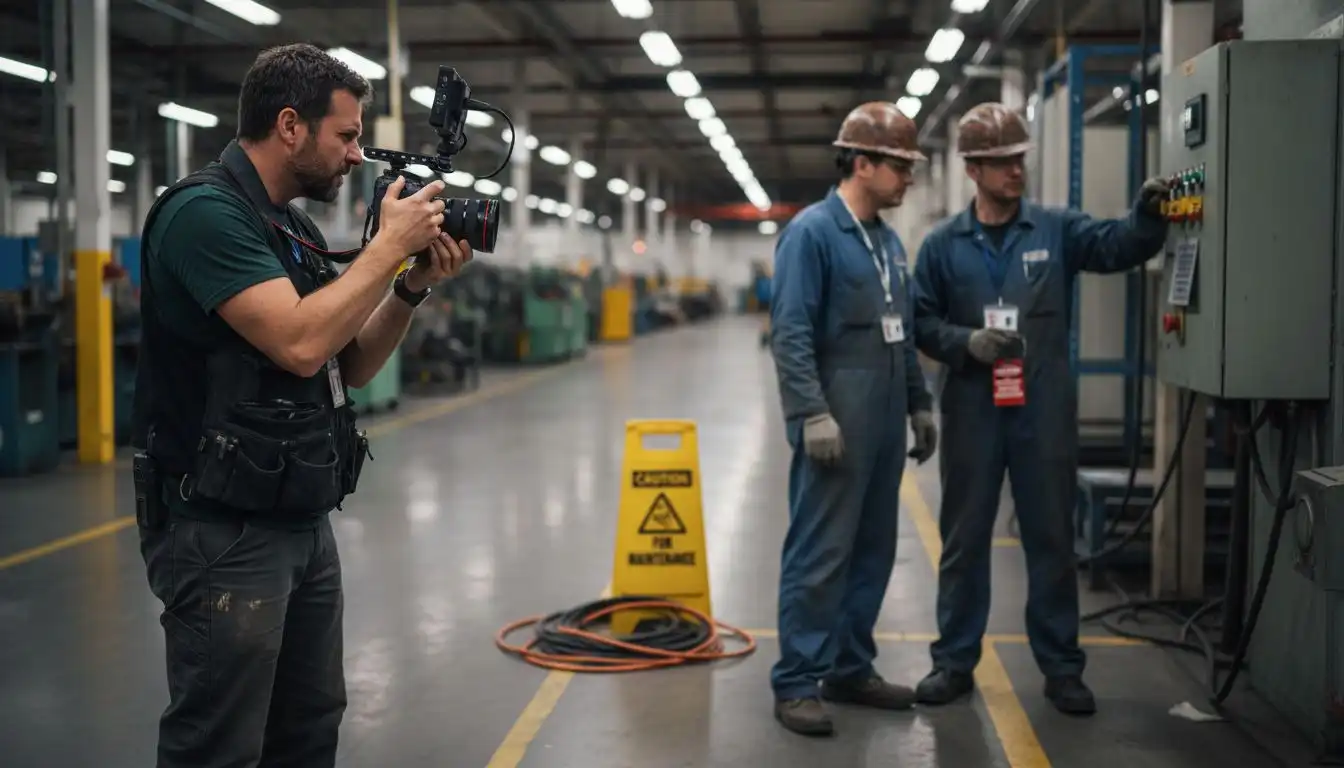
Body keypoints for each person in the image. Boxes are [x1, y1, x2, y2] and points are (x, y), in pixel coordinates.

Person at [130, 43, 472, 767]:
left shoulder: (293, 228)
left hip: (298, 514)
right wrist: (385, 248)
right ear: (290, 126)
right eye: (345, 135)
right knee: (219, 743)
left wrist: (410, 285)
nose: (355, 155)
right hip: (221, 529)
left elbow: (351, 362)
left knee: (309, 727)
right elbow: (299, 343)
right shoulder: (202, 214)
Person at [909, 102, 1169, 715]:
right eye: (1001, 162)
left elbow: (1115, 246)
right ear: (973, 170)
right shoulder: (943, 246)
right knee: (964, 540)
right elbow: (921, 319)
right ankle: (953, 662)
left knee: (1051, 540)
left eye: (1019, 159)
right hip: (973, 409)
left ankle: (1062, 668)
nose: (1015, 170)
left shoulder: (1056, 230)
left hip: (1042, 411)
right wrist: (963, 343)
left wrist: (1147, 215)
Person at [767, 101, 939, 737]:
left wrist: (919, 402)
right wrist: (812, 412)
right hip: (837, 421)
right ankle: (796, 681)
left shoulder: (888, 241)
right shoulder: (812, 234)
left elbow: (903, 331)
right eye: (900, 166)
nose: (909, 178)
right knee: (820, 553)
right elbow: (790, 332)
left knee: (872, 550)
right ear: (861, 164)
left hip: (884, 422)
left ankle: (848, 667)